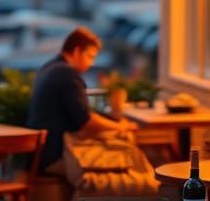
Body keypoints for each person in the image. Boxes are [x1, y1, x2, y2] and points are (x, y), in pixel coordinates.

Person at [27, 26, 136, 177]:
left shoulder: (48, 68)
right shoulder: (67, 74)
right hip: (56, 156)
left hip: (40, 153)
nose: (91, 63)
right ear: (77, 51)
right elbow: (86, 122)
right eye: (90, 56)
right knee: (122, 168)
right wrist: (121, 127)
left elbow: (80, 114)